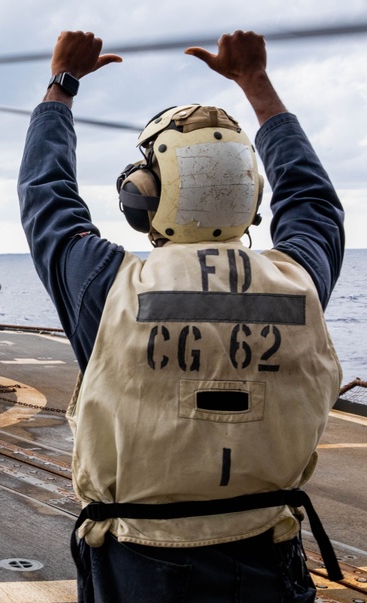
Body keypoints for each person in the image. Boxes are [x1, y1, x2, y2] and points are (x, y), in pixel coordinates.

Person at [18, 30, 345, 602]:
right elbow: (313, 201)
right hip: (271, 557)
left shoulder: (110, 288)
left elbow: (46, 193)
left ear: (143, 197)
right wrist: (255, 82)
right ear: (249, 193)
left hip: (143, 569)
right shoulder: (299, 283)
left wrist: (62, 86)